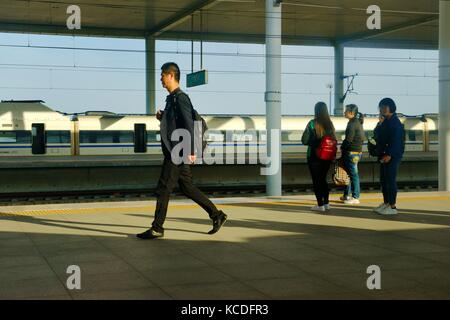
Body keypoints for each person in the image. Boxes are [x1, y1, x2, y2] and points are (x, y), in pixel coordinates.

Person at [137, 62, 228, 239]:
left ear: (171, 75)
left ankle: (157, 228)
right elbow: (177, 123)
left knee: (164, 188)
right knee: (187, 187)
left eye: (162, 75)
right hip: (176, 149)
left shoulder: (181, 98)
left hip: (178, 151)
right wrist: (163, 116)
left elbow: (189, 124)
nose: (161, 79)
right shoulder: (172, 99)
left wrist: (191, 150)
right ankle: (217, 215)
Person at [302, 102, 336, 212]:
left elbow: (304, 140)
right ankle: (326, 203)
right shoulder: (330, 125)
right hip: (327, 156)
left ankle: (320, 205)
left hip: (314, 157)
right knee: (323, 180)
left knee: (317, 181)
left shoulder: (312, 123)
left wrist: (316, 142)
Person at [373, 98, 405, 215]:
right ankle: (386, 203)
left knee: (390, 180)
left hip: (392, 156)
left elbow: (396, 141)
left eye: (385, 107)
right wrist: (379, 124)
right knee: (384, 180)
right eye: (381, 107)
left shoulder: (396, 123)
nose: (382, 109)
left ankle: (392, 206)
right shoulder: (385, 122)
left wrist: (390, 154)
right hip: (383, 154)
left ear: (391, 107)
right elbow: (376, 135)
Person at [340, 104, 365, 204]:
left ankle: (355, 197)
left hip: (352, 153)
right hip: (355, 152)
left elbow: (348, 139)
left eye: (346, 110)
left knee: (353, 175)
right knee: (349, 175)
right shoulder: (356, 122)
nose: (344, 112)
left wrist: (342, 147)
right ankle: (347, 195)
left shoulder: (352, 123)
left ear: (351, 113)